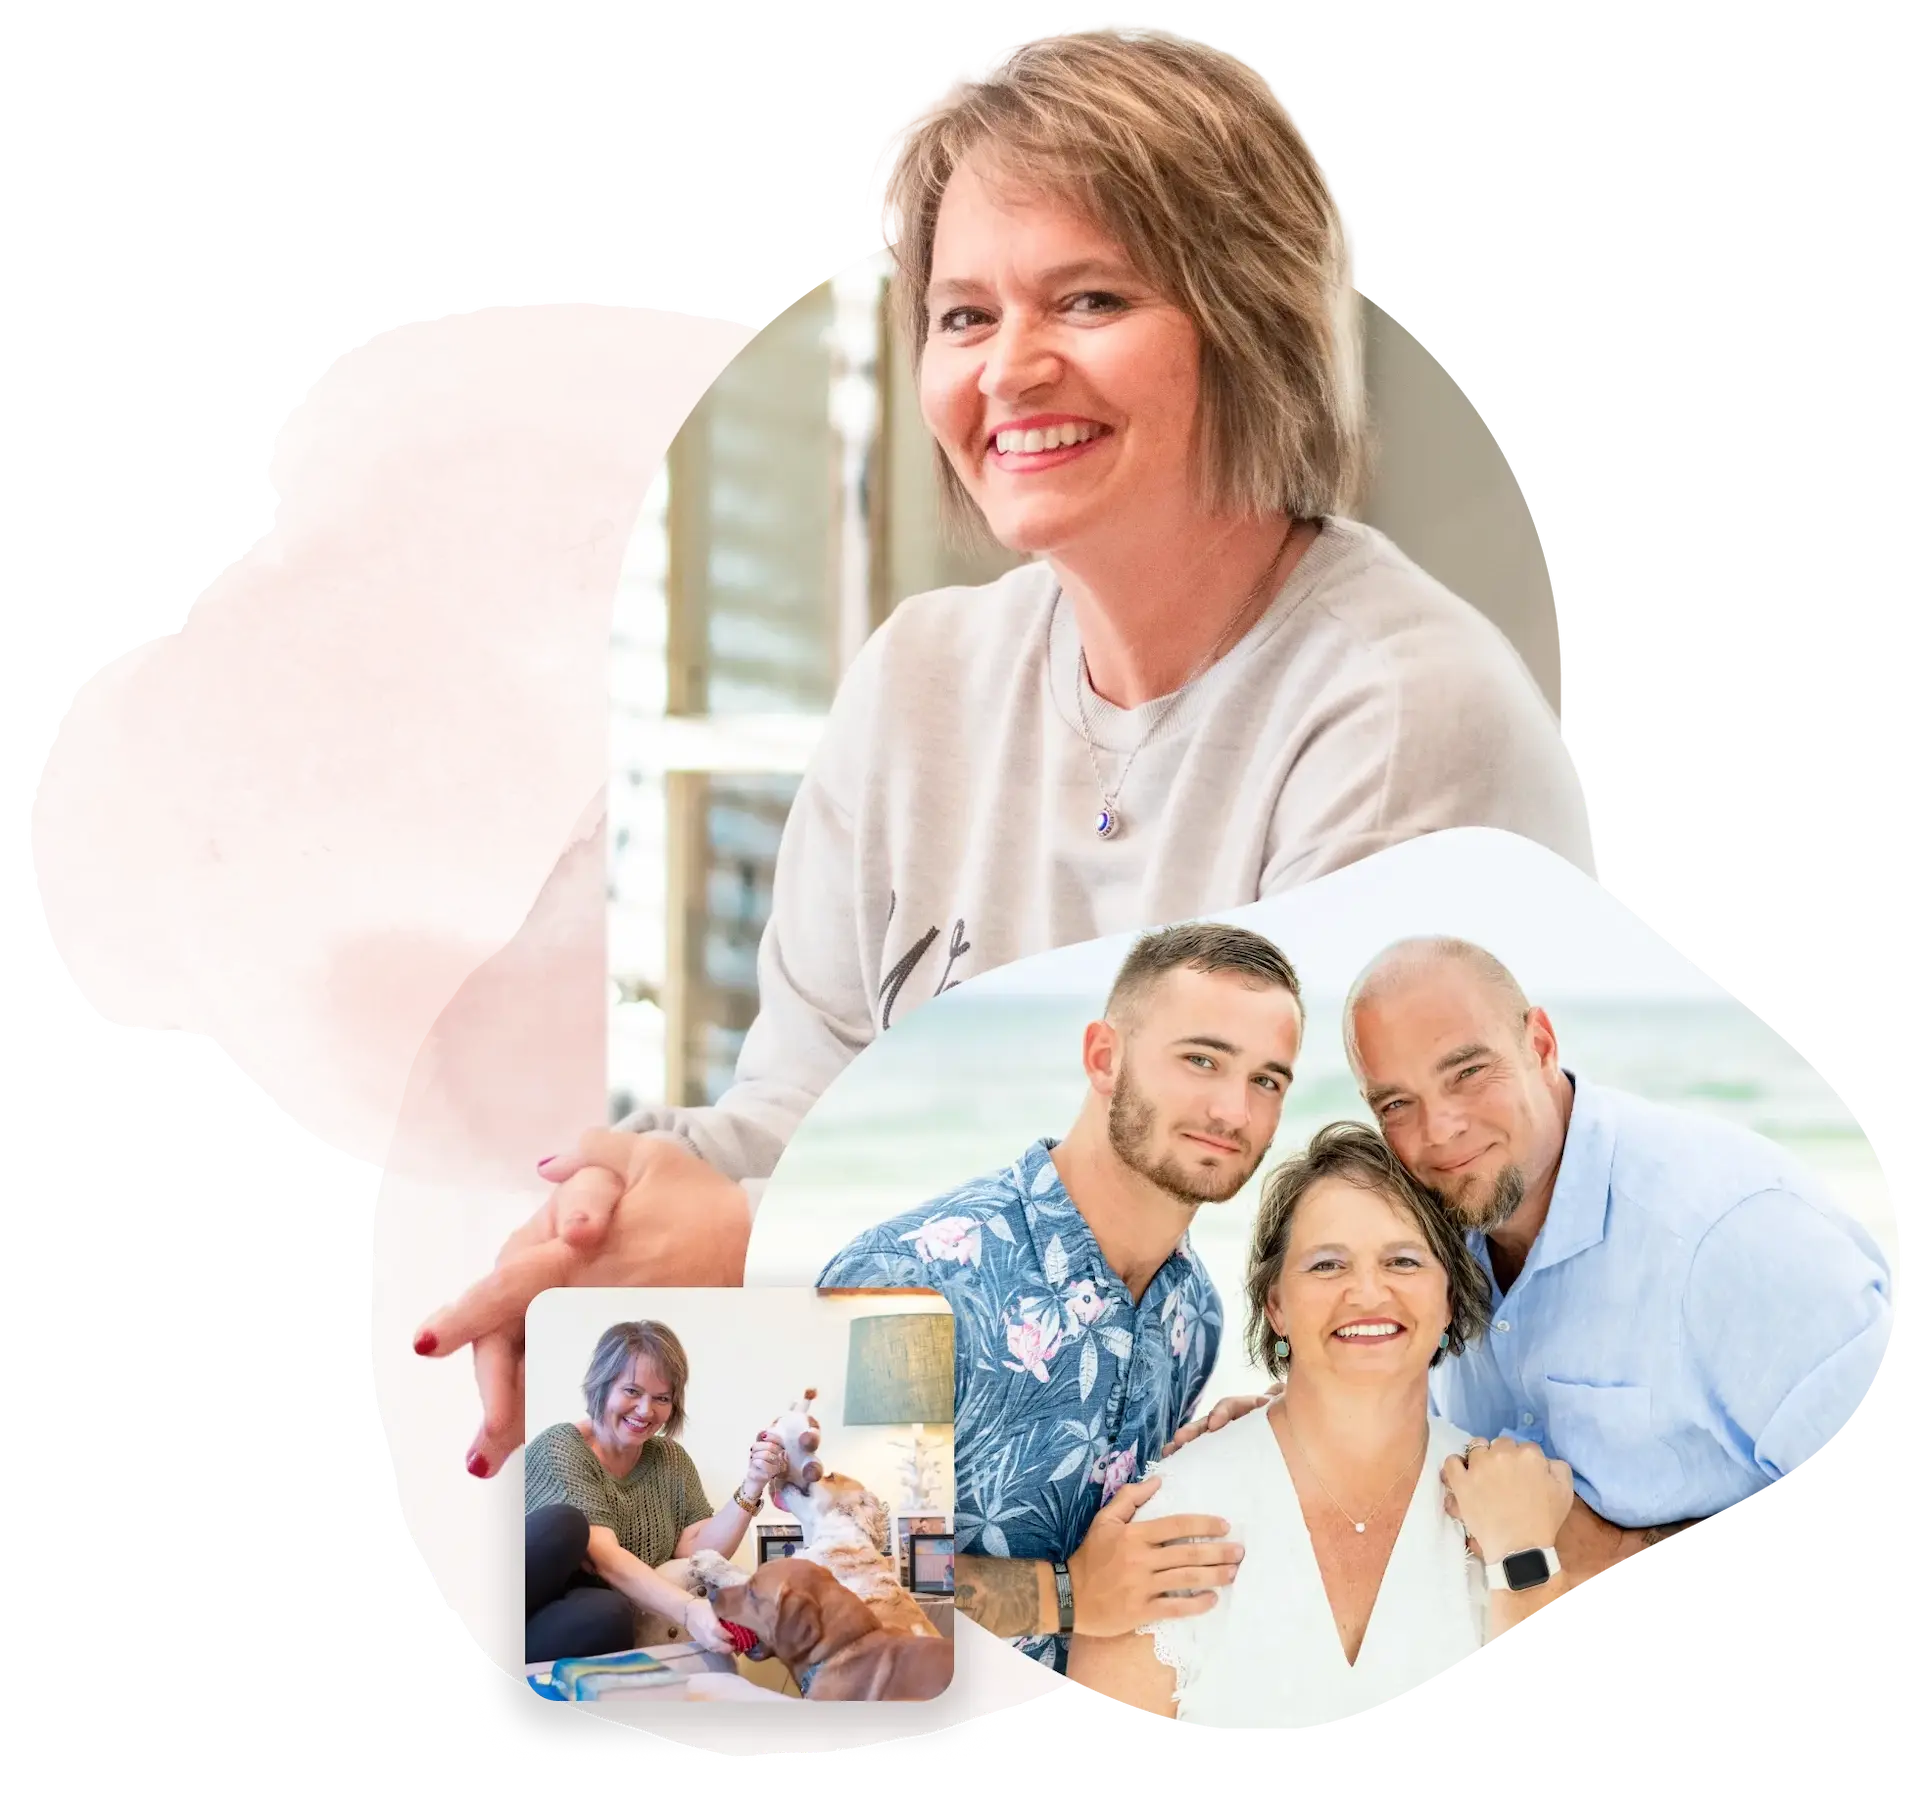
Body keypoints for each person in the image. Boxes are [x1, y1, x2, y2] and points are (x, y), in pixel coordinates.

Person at [413, 23, 1596, 1482]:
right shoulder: (917, 679)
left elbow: (1290, 1260)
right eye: (963, 317)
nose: (1010, 368)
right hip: (961, 1491)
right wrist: (601, 1217)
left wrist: (762, 1247)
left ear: (1246, 320)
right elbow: (807, 1109)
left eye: (1087, 299)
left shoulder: (1407, 714)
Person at [1166, 936, 1896, 1592]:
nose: (1439, 1130)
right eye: (1397, 1103)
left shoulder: (1730, 1238)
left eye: (1468, 1073)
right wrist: (1301, 1419)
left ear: (1540, 1043)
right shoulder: (1446, 1231)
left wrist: (1611, 1548)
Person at [816, 922, 1304, 1673]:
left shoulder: (1193, 1313)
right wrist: (1068, 1596)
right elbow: (834, 1579)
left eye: (1267, 1080)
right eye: (1202, 1060)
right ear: (1104, 1059)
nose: (1234, 1112)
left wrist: (1224, 1460)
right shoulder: (911, 1280)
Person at [1067, 1124, 1574, 1731]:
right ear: (1275, 1305)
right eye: (1327, 1264)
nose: (1367, 1291)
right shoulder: (1175, 1517)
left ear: (1448, 1298)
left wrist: (1523, 1559)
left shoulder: (1516, 1509)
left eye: (1403, 1261)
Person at [523, 1320, 789, 1663]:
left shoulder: (670, 1458)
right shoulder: (561, 1446)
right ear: (602, 1386)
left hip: (576, 1610)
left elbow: (699, 1550)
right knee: (566, 1525)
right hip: (526, 1601)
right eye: (632, 1391)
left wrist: (754, 1482)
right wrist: (690, 1609)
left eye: (661, 1398)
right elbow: (605, 1558)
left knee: (610, 1615)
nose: (646, 1411)